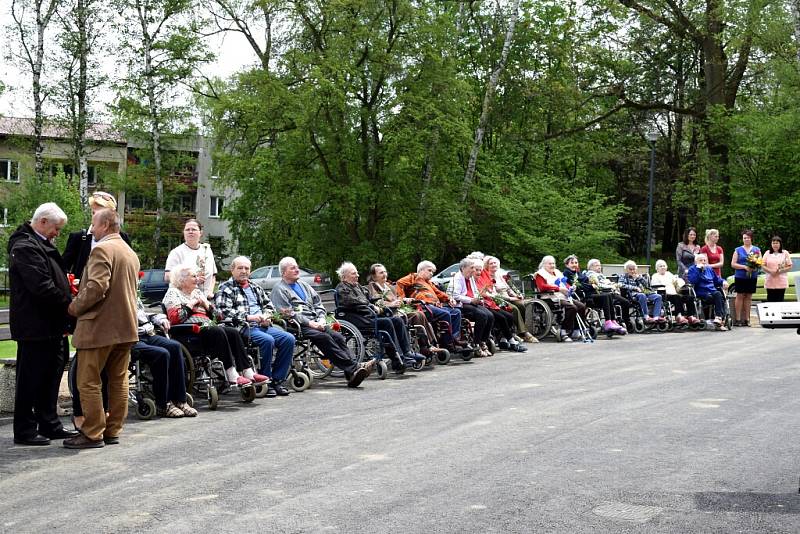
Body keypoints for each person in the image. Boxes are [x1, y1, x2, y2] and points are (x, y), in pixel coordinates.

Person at [64, 208, 140, 449]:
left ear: (106, 225)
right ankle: (112, 429)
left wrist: (74, 307)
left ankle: (92, 432)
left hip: (99, 328)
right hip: (125, 327)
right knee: (118, 380)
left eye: (94, 224)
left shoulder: (102, 249)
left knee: (88, 381)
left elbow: (97, 287)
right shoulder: (129, 252)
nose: (92, 229)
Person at [8, 203, 79, 446]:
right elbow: (40, 286)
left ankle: (50, 423)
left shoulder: (38, 244)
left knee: (50, 378)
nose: (57, 234)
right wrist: (69, 303)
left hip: (51, 325)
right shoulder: (25, 246)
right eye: (56, 229)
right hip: (35, 327)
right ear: (43, 222)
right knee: (31, 380)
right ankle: (25, 430)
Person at [271, 257, 375, 387]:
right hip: (297, 326)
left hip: (316, 322)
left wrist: (320, 318)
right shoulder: (279, 289)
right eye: (292, 268)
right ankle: (354, 368)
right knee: (324, 337)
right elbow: (286, 313)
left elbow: (318, 303)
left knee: (338, 337)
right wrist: (310, 323)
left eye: (297, 267)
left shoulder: (304, 285)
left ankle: (352, 373)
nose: (297, 270)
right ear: (283, 272)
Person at [163, 265, 268, 388]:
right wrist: (191, 304)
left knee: (232, 332)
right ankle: (231, 374)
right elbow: (175, 319)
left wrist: (206, 305)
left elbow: (218, 317)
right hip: (188, 331)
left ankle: (247, 371)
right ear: (182, 279)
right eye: (194, 276)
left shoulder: (197, 292)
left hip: (208, 327)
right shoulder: (173, 293)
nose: (198, 279)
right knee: (217, 330)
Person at [215, 256, 296, 396]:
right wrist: (249, 317)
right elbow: (223, 312)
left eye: (246, 268)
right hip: (243, 328)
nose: (244, 271)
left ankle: (277, 379)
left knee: (288, 338)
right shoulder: (226, 288)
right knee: (267, 340)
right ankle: (266, 380)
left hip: (263, 325)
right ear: (232, 270)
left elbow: (269, 306)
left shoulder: (255, 287)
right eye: (240, 268)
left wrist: (267, 316)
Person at [335, 262, 424, 370]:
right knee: (387, 322)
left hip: (367, 316)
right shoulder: (342, 288)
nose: (357, 275)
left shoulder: (358, 286)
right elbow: (352, 302)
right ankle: (397, 357)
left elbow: (369, 299)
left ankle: (407, 352)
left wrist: (378, 303)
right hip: (356, 318)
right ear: (344, 277)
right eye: (354, 274)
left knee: (397, 320)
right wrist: (372, 306)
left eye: (357, 273)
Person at [133, 298, 197, 418]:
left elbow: (143, 315)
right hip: (130, 338)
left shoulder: (132, 292)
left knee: (174, 346)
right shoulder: (117, 294)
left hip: (147, 333)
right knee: (162, 353)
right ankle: (163, 404)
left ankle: (180, 400)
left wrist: (160, 318)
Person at [366, 263, 444, 359]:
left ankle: (429, 344)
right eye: (381, 273)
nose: (384, 274)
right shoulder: (371, 287)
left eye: (385, 272)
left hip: (398, 310)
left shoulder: (389, 286)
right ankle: (424, 346)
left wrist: (404, 300)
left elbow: (398, 298)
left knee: (420, 313)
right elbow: (376, 303)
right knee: (416, 315)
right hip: (387, 313)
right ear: (374, 276)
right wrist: (391, 304)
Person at [396, 261, 466, 347]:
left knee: (456, 312)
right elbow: (399, 283)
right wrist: (403, 298)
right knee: (445, 314)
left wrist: (449, 299)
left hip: (435, 305)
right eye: (429, 270)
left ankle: (455, 338)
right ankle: (447, 343)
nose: (431, 274)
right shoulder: (412, 277)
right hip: (423, 306)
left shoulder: (429, 282)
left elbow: (438, 292)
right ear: (421, 270)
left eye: (432, 272)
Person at [563, 255, 625, 335]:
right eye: (572, 263)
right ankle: (608, 323)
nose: (575, 264)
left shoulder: (578, 273)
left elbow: (585, 284)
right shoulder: (567, 273)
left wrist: (590, 285)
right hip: (581, 296)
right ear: (567, 265)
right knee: (606, 296)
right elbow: (578, 286)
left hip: (589, 294)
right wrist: (591, 286)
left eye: (576, 262)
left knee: (608, 295)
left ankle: (612, 321)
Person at [481, 256, 538, 343]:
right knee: (514, 309)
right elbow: (495, 294)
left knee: (521, 304)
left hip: (509, 297)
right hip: (499, 299)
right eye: (491, 263)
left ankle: (518, 331)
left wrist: (516, 295)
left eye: (495, 263)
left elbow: (508, 288)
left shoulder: (499, 275)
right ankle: (524, 332)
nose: (493, 265)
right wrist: (511, 298)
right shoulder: (488, 277)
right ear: (487, 266)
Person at [474, 260, 527, 352]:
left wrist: (515, 295)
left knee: (509, 316)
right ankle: (512, 341)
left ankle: (503, 340)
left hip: (491, 302)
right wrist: (493, 295)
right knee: (502, 317)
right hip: (485, 303)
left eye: (480, 270)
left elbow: (492, 289)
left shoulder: (484, 278)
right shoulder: (473, 280)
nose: (479, 272)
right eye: (476, 270)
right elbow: (482, 293)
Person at [534, 256, 587, 342]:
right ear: (544, 265)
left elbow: (564, 283)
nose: (552, 265)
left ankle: (576, 331)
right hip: (550, 297)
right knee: (572, 307)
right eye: (550, 264)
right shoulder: (540, 274)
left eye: (553, 263)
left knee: (581, 306)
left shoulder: (557, 272)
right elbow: (542, 287)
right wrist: (558, 289)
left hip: (563, 296)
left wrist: (570, 287)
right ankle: (564, 331)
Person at [448, 258, 494, 357]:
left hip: (471, 303)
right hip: (462, 305)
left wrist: (479, 299)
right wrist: (471, 300)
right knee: (482, 315)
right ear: (463, 268)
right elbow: (455, 296)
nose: (474, 270)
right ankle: (476, 343)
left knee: (490, 315)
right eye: (471, 268)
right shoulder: (457, 278)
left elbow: (475, 292)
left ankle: (483, 341)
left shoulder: (470, 278)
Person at [165, 219, 217, 299]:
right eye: (187, 230)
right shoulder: (176, 252)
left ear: (201, 233)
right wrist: (194, 280)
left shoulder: (207, 250)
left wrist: (210, 292)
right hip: (183, 299)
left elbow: (213, 275)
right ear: (184, 232)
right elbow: (168, 277)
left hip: (205, 300)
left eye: (194, 229)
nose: (190, 232)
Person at [584, 259, 631, 331]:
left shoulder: (600, 275)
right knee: (621, 301)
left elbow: (606, 282)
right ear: (590, 267)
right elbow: (598, 285)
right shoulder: (591, 274)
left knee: (624, 301)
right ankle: (614, 322)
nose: (599, 267)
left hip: (607, 292)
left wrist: (613, 284)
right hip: (599, 294)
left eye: (599, 265)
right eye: (597, 265)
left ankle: (614, 321)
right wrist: (611, 286)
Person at [687, 253, 729, 330]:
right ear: (696, 262)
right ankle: (720, 319)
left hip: (712, 291)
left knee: (719, 295)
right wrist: (699, 270)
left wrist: (723, 281)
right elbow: (693, 281)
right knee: (718, 296)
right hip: (701, 292)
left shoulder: (709, 269)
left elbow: (717, 280)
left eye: (704, 260)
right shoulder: (692, 269)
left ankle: (719, 318)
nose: (703, 262)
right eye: (701, 260)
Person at [650, 260, 699, 325]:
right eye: (660, 266)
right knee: (677, 297)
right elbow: (654, 287)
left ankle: (691, 316)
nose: (662, 267)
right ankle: (678, 316)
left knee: (690, 297)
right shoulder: (655, 276)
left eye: (664, 266)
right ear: (657, 268)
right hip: (664, 295)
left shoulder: (669, 274)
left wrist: (678, 281)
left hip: (674, 294)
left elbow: (678, 282)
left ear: (666, 267)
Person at [730, 229, 761, 326]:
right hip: (740, 276)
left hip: (752, 276)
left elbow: (760, 262)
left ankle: (747, 319)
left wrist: (754, 266)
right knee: (740, 296)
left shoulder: (757, 249)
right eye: (744, 238)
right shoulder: (738, 250)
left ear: (751, 238)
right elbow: (733, 264)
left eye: (748, 237)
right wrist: (744, 267)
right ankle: (738, 319)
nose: (746, 239)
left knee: (748, 297)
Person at [761, 236, 793, 303]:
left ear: (780, 244)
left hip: (781, 281)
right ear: (771, 244)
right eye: (773, 243)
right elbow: (762, 265)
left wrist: (780, 271)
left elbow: (790, 266)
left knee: (780, 301)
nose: (775, 245)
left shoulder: (785, 253)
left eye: (777, 243)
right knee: (770, 301)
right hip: (770, 281)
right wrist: (770, 271)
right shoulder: (767, 253)